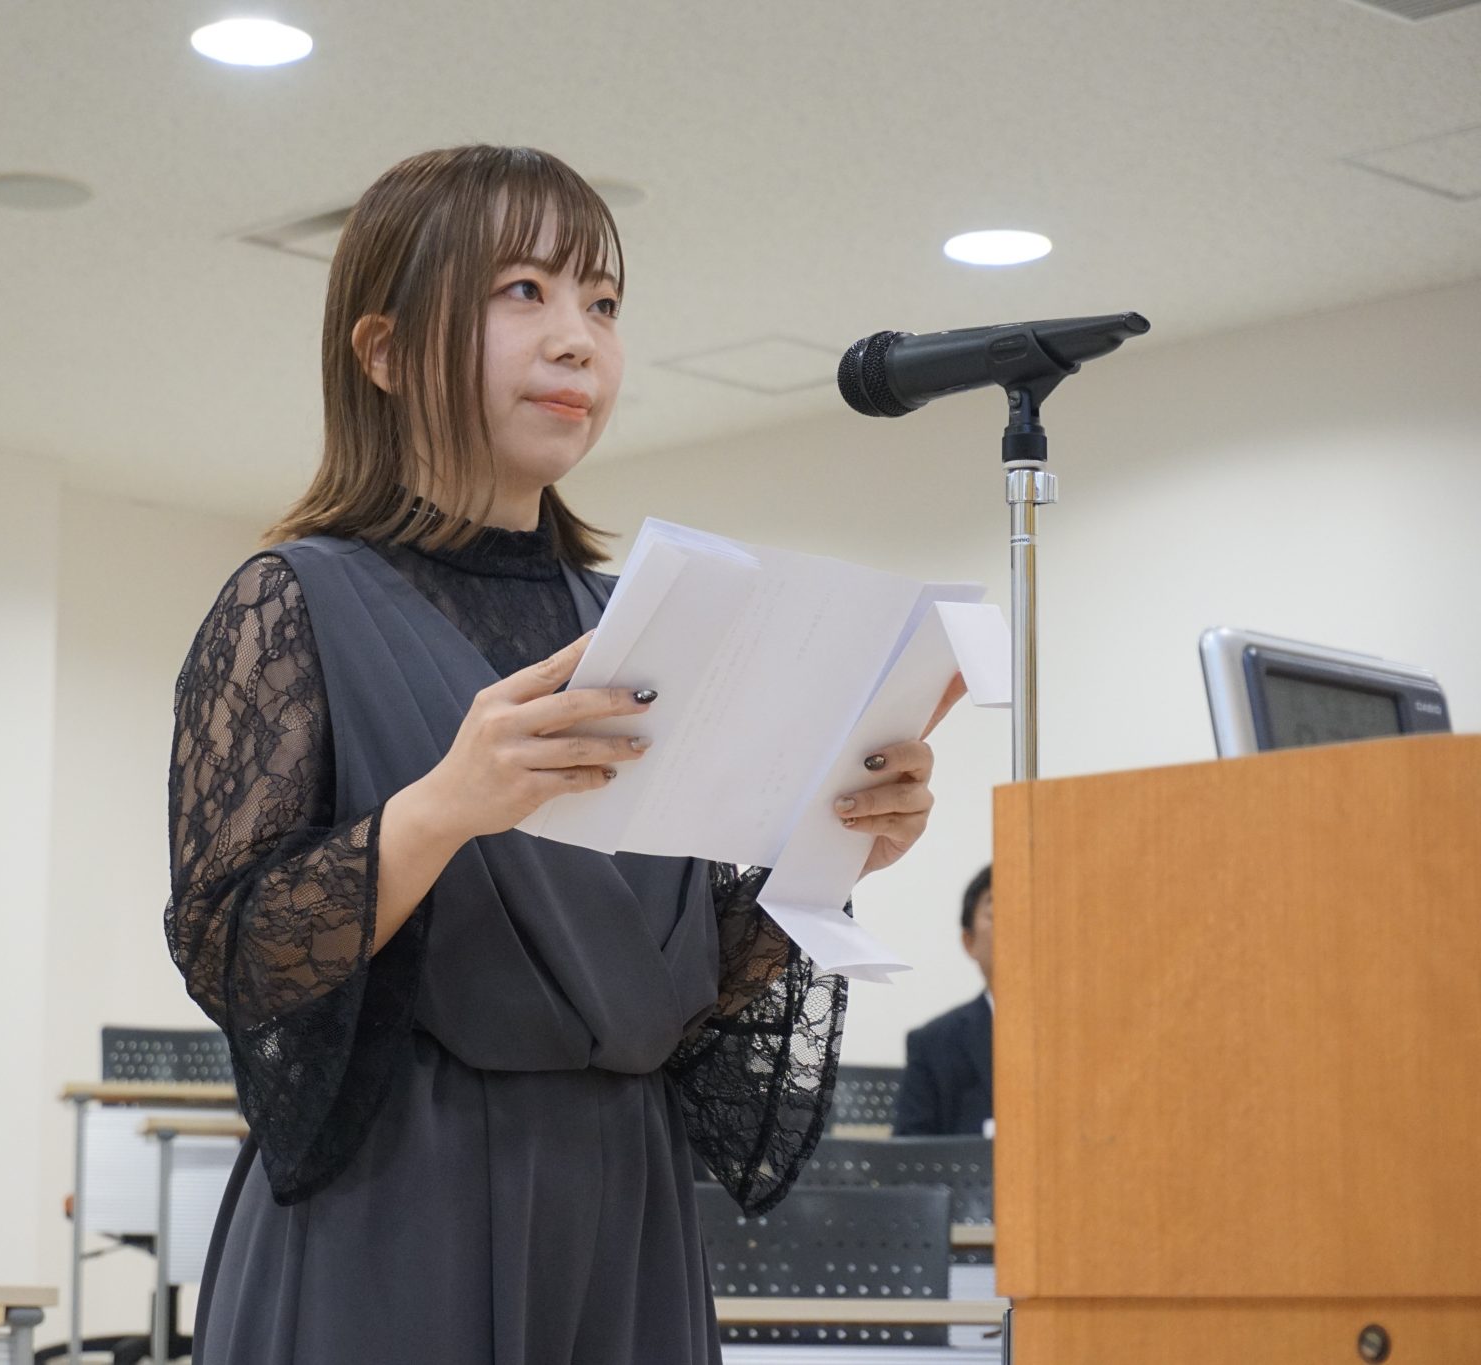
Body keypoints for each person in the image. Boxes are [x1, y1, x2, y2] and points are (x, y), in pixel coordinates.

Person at [165, 145, 960, 1365]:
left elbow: (675, 989)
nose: (578, 340)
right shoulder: (289, 601)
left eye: (602, 302)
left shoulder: (638, 626)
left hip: (624, 1208)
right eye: (522, 292)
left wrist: (827, 846)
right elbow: (235, 957)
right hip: (396, 1209)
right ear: (384, 352)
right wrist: (440, 809)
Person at [893, 864, 994, 1137]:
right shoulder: (933, 1044)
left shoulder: (1083, 1032)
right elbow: (909, 1154)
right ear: (969, 941)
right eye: (997, 913)